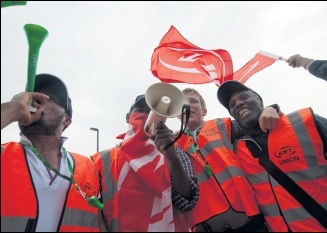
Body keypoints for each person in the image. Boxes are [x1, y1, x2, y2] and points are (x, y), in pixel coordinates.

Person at [217, 80, 327, 232]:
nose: (238, 104)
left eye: (244, 97)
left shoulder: (306, 122)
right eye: (232, 105)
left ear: (260, 101)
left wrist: (273, 108)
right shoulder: (237, 152)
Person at [156, 87, 281, 232]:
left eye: (193, 101)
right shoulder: (171, 144)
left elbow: (255, 122)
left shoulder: (223, 125)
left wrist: (272, 108)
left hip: (252, 223)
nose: (188, 105)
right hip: (208, 228)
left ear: (204, 111)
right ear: (177, 114)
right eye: (183, 103)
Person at [1, 73, 103, 232]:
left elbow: (99, 222)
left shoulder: (89, 167)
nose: (35, 101)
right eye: (30, 96)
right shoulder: (3, 154)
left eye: (49, 98)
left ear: (66, 120)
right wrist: (12, 108)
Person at [91, 94, 199, 232]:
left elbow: (187, 201)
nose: (147, 116)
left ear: (163, 119)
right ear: (128, 117)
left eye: (153, 112)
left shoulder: (175, 150)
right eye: (140, 110)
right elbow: (95, 213)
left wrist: (171, 156)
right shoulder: (103, 159)